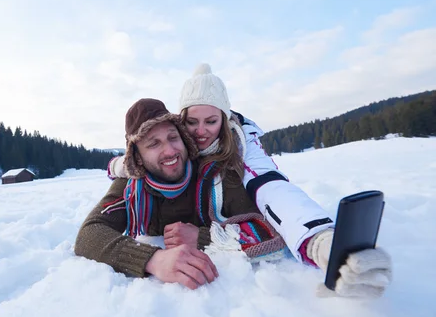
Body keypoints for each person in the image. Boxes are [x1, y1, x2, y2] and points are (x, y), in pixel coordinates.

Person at [76, 98, 392, 298]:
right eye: (153, 144)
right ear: (138, 157)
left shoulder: (215, 177)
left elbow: (269, 231)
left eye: (173, 138)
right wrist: (152, 259)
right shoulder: (130, 188)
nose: (170, 150)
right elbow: (89, 235)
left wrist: (200, 236)